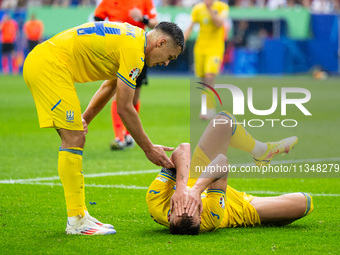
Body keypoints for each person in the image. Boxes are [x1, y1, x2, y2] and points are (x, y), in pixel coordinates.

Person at [23, 21, 184, 235]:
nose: (165, 63)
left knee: (76, 137)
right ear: (161, 43)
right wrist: (148, 148)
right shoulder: (134, 51)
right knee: (73, 140)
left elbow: (109, 86)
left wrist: (85, 119)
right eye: (169, 57)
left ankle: (79, 215)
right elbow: (125, 108)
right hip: (50, 67)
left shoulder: (133, 38)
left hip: (45, 62)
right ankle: (77, 221)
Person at [146, 111, 312, 235]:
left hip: (199, 173)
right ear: (201, 217)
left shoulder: (156, 202)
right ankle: (262, 154)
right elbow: (222, 163)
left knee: (223, 121)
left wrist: (181, 189)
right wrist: (196, 191)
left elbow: (183, 148)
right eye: (195, 208)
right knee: (305, 203)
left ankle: (262, 150)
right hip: (233, 208)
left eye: (181, 205)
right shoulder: (212, 217)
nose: (187, 202)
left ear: (169, 215)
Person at [94, 0, 159, 150]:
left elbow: (155, 24)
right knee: (119, 93)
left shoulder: (144, 1)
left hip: (139, 51)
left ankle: (129, 134)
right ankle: (119, 137)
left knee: (134, 97)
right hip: (117, 52)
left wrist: (143, 18)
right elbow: (97, 19)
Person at [184, 0, 229, 119]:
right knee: (203, 80)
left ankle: (209, 109)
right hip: (200, 48)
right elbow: (190, 26)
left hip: (215, 48)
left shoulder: (222, 7)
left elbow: (219, 23)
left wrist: (210, 10)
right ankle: (206, 108)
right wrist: (182, 42)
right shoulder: (198, 9)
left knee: (210, 76)